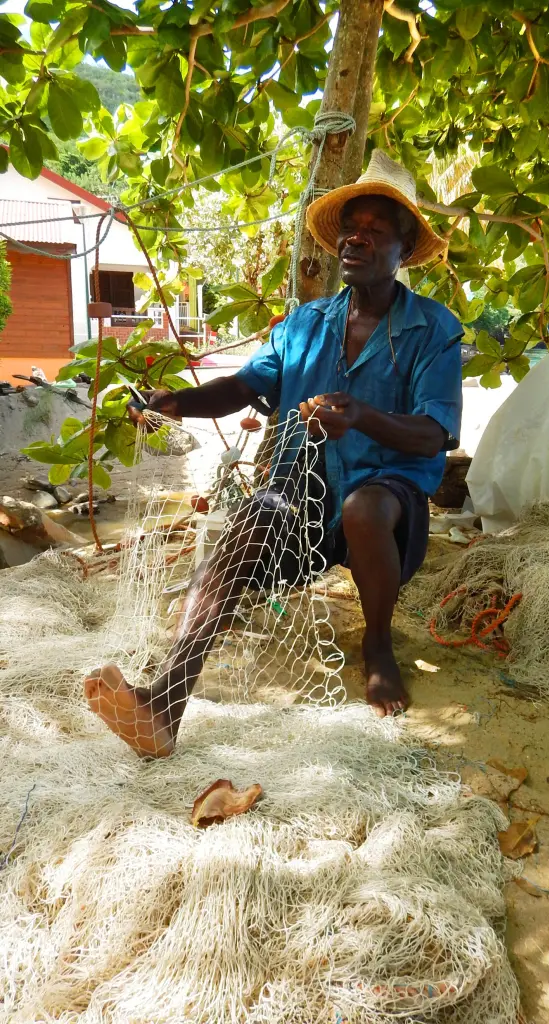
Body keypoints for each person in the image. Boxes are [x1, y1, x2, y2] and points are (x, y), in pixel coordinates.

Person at [84, 150, 463, 757]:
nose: (356, 240)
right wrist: (177, 402)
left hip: (388, 501)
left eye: (375, 231)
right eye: (350, 229)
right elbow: (243, 386)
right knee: (248, 525)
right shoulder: (306, 324)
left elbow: (435, 433)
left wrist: (363, 417)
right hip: (304, 495)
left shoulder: (433, 329)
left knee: (366, 506)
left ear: (403, 249)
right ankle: (164, 703)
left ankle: (378, 647)